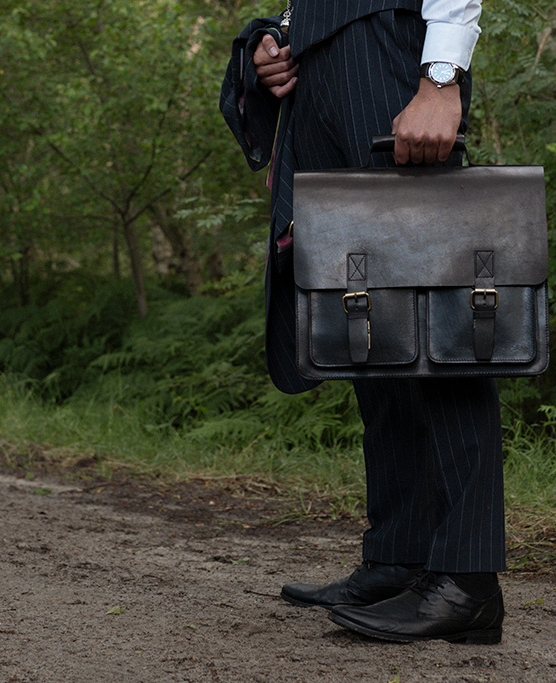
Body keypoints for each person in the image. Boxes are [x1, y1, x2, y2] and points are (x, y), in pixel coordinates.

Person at [220, 0, 504, 644]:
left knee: (437, 318)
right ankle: (399, 556)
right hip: (320, 72)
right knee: (367, 325)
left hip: (387, 54)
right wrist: (279, 36)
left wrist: (440, 79)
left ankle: (469, 578)